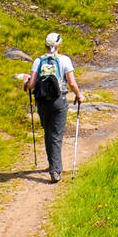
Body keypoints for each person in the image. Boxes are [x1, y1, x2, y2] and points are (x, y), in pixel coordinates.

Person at [23, 31, 84, 182]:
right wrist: (79, 95)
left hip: (42, 101)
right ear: (59, 45)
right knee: (56, 135)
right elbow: (71, 83)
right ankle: (55, 170)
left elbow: (31, 84)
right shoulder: (64, 60)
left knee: (48, 132)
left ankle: (52, 163)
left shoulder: (38, 61)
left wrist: (25, 84)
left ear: (46, 45)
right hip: (58, 101)